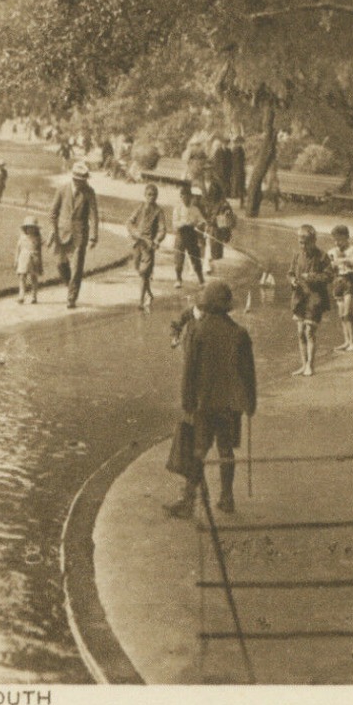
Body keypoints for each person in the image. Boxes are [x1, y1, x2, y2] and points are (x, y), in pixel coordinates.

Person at [164, 279, 256, 517]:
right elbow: (248, 373)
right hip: (230, 405)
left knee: (198, 450)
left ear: (205, 305)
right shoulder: (239, 334)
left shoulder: (198, 331)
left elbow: (189, 372)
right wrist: (250, 402)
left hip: (203, 404)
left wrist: (187, 402)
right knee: (226, 450)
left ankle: (188, 499)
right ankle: (227, 498)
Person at [47, 161, 100, 308]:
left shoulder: (89, 192)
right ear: (74, 179)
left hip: (79, 234)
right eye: (79, 180)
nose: (82, 183)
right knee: (60, 265)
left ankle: (71, 298)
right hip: (61, 232)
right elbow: (52, 213)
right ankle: (70, 286)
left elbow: (94, 215)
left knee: (76, 267)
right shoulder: (62, 189)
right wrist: (53, 229)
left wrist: (93, 237)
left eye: (84, 181)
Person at [287, 225, 332, 376]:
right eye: (300, 242)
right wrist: (292, 280)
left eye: (306, 243)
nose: (303, 246)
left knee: (309, 331)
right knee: (300, 332)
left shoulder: (322, 256)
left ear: (314, 241)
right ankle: (303, 363)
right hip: (300, 298)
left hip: (315, 298)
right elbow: (291, 273)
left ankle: (310, 365)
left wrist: (311, 277)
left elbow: (328, 276)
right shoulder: (297, 255)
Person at [126, 183, 166, 312]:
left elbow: (162, 229)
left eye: (154, 195)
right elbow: (129, 222)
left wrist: (156, 240)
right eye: (149, 194)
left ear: (157, 196)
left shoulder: (159, 211)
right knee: (138, 269)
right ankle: (148, 291)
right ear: (145, 195)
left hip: (148, 247)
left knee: (144, 272)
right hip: (137, 243)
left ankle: (141, 301)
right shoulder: (140, 208)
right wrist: (134, 232)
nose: (151, 197)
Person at [327, 223, 353, 352]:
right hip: (337, 282)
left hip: (349, 281)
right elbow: (328, 267)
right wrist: (332, 265)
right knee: (341, 314)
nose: (337, 243)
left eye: (340, 240)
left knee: (348, 313)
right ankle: (346, 341)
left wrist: (344, 260)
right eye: (335, 240)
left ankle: (352, 342)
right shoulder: (331, 251)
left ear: (347, 237)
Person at [172, 184, 205, 288]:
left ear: (191, 197)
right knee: (178, 259)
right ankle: (178, 279)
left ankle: (201, 280)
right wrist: (183, 223)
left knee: (195, 258)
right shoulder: (177, 208)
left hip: (191, 235)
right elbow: (174, 224)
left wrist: (198, 224)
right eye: (183, 196)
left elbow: (202, 220)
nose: (186, 198)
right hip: (181, 235)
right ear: (181, 196)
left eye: (188, 196)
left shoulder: (195, 209)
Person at [15, 217, 43, 305]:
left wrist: (41, 264)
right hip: (23, 258)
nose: (31, 229)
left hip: (34, 259)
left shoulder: (37, 238)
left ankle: (34, 296)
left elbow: (40, 251)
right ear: (25, 228)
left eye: (33, 227)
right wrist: (16, 260)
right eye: (29, 227)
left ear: (36, 229)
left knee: (33, 278)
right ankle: (21, 295)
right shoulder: (22, 238)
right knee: (22, 277)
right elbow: (18, 249)